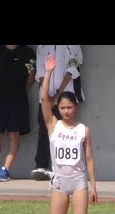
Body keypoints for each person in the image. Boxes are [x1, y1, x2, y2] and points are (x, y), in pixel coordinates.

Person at [38, 54, 97, 214]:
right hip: (60, 183)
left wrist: (94, 185)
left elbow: (89, 158)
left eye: (69, 107)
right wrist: (49, 72)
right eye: (62, 107)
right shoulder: (53, 125)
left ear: (76, 107)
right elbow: (44, 99)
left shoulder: (84, 130)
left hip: (79, 181)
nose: (65, 111)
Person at [31, 45, 85, 181]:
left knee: (66, 130)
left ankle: (66, 166)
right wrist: (47, 94)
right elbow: (41, 72)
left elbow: (73, 69)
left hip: (66, 95)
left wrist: (58, 95)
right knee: (44, 128)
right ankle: (42, 166)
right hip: (45, 95)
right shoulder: (42, 46)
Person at [0, 45, 36, 181]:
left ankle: (5, 170)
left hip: (19, 99)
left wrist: (22, 92)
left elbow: (32, 73)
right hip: (0, 97)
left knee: (14, 134)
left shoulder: (28, 52)